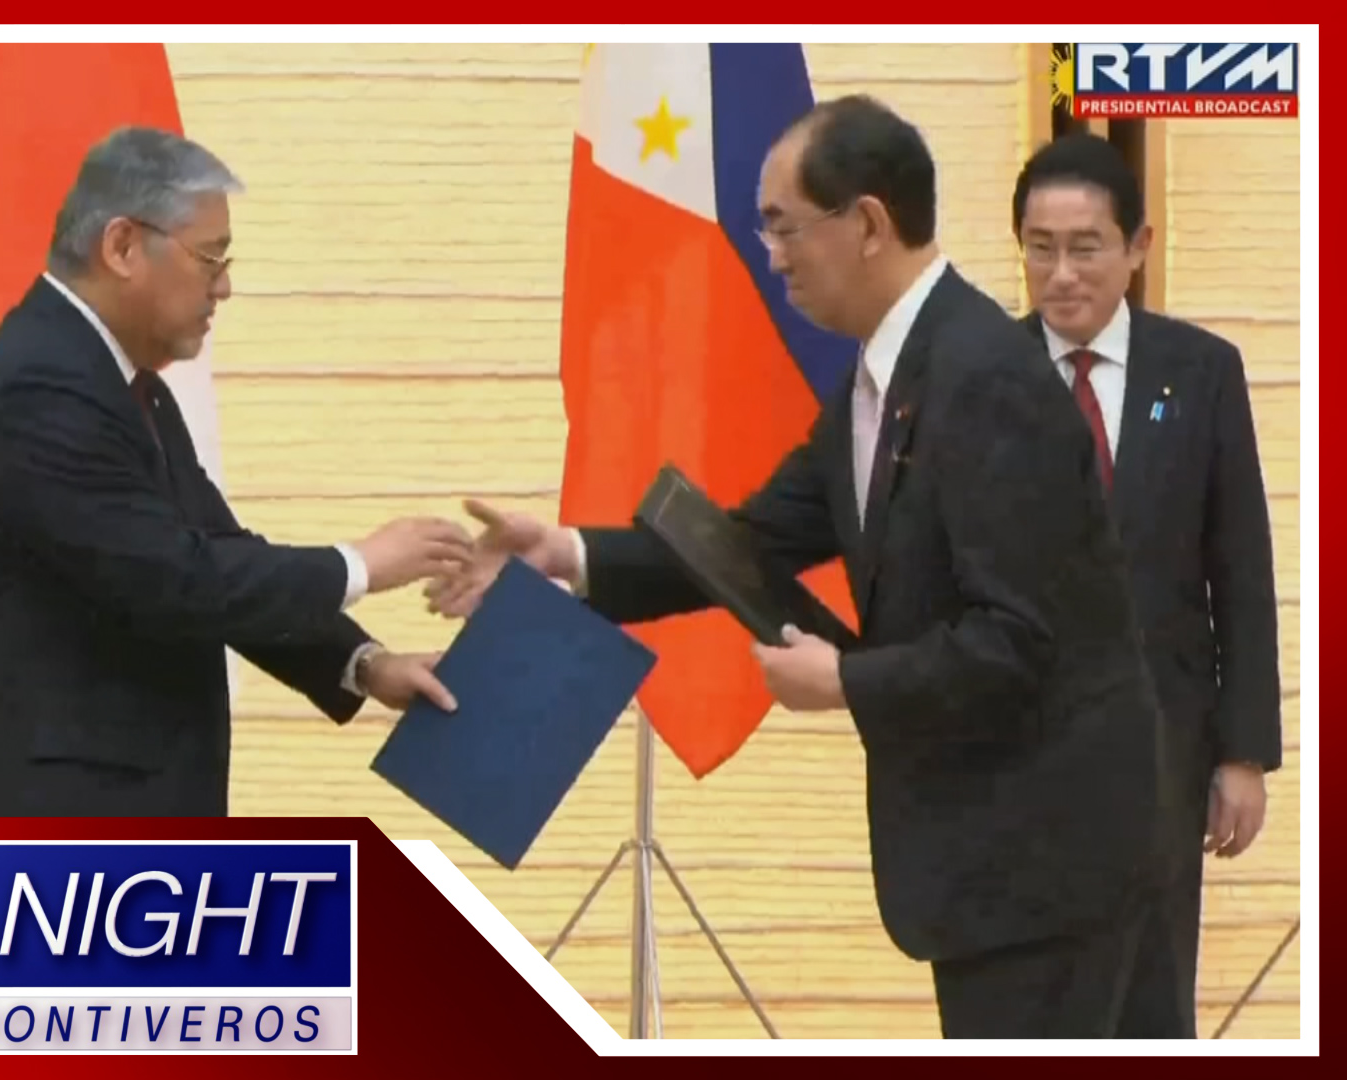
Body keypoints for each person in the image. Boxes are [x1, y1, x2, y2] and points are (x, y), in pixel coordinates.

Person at [429, 96, 1168, 1039]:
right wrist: (566, 555)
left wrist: (847, 680)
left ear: (868, 223)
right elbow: (748, 545)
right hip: (988, 853)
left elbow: (1019, 641)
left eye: (783, 227)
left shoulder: (983, 375)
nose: (771, 257)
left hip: (1049, 856)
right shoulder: (883, 375)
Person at [0, 126, 471, 818]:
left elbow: (216, 550)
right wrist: (359, 565)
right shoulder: (38, 386)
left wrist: (365, 664)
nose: (225, 287)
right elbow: (174, 579)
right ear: (122, 246)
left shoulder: (126, 384)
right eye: (210, 258)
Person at [1013, 132, 1281, 1038]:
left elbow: (1239, 571)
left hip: (1163, 743)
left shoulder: (1201, 373)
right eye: (1040, 248)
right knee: (1030, 999)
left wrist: (1242, 754)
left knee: (1150, 1000)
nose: (1061, 275)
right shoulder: (979, 374)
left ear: (1137, 247)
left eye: (1085, 247)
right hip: (1016, 750)